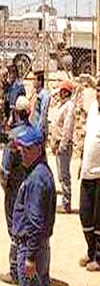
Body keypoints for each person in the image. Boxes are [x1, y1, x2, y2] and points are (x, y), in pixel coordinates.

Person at [10, 126, 57, 286]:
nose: (23, 154)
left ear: (38, 149)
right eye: (22, 149)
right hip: (39, 247)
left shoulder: (37, 179)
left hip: (32, 248)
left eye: (27, 149)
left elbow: (36, 222)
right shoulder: (41, 172)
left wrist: (28, 257)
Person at [0, 96, 31, 285]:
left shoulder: (13, 137)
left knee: (14, 229)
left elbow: (4, 170)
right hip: (29, 188)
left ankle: (14, 270)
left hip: (14, 190)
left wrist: (5, 185)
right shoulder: (34, 133)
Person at [78, 86, 100, 272]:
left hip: (99, 175)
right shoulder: (93, 108)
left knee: (99, 218)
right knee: (85, 215)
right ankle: (90, 250)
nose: (99, 94)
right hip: (87, 172)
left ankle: (99, 257)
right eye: (98, 90)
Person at [52, 81, 76, 214]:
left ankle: (67, 203)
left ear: (66, 92)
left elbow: (67, 128)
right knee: (61, 173)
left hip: (64, 145)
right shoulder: (63, 105)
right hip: (58, 144)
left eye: (61, 91)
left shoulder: (69, 107)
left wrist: (62, 144)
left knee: (65, 174)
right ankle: (64, 201)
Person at [28, 69, 51, 152]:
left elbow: (43, 113)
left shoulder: (44, 95)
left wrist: (38, 131)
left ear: (40, 82)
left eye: (34, 80)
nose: (33, 82)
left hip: (39, 130)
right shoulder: (35, 94)